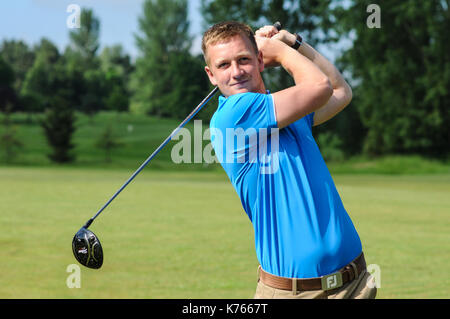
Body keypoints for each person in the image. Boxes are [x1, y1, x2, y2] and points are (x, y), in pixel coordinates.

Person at [201, 21, 377, 299]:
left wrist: (294, 43)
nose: (235, 72)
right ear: (211, 75)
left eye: (244, 59)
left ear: (259, 61)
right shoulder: (232, 115)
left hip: (354, 284)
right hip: (297, 294)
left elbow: (340, 91)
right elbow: (320, 86)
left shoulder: (283, 109)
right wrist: (281, 52)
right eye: (224, 65)